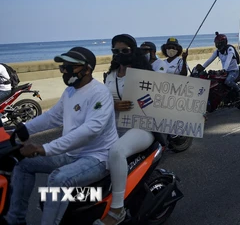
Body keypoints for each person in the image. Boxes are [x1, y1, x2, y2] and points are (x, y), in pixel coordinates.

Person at [3, 47, 118, 225]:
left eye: (70, 67)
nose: (64, 71)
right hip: (71, 154)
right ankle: (15, 220)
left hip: (97, 157)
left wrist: (45, 148)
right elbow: (53, 117)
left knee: (58, 179)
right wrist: (24, 129)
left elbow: (90, 130)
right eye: (63, 67)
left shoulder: (100, 94)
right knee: (22, 163)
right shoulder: (70, 91)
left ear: (87, 70)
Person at [95, 34, 154, 225]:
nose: (119, 53)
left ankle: (117, 209)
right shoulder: (110, 76)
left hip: (141, 128)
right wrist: (113, 105)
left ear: (133, 50)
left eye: (125, 50)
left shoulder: (145, 74)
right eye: (115, 50)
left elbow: (160, 101)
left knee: (117, 151)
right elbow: (100, 103)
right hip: (114, 127)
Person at [201, 32, 240, 101]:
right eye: (216, 43)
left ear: (223, 43)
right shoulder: (218, 51)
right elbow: (210, 60)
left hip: (233, 71)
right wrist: (202, 68)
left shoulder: (230, 49)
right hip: (225, 71)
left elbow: (228, 59)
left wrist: (224, 69)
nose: (217, 45)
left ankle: (239, 91)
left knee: (228, 81)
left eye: (218, 43)